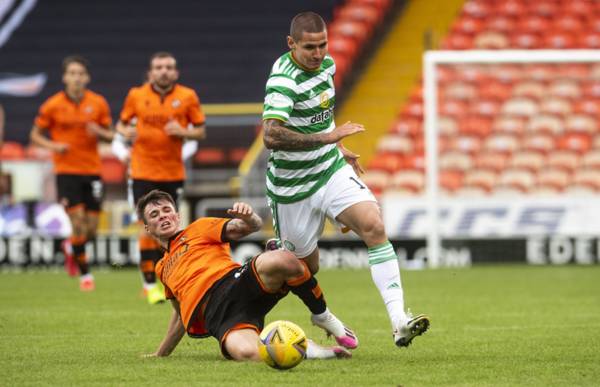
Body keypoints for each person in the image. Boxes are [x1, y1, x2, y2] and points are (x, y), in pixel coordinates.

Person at [262, 12, 430, 347]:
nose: (319, 53)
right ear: (291, 44)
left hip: (328, 168)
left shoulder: (327, 66)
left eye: (323, 44)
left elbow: (322, 116)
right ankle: (317, 312)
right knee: (305, 269)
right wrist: (327, 139)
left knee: (373, 225)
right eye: (310, 47)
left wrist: (338, 147)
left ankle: (399, 320)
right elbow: (271, 135)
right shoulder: (283, 80)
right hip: (292, 187)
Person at [137, 189, 351, 361]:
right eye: (154, 215)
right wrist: (161, 353)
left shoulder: (198, 228)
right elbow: (180, 315)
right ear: (148, 228)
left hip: (234, 283)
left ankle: (322, 315)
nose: (163, 216)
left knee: (284, 261)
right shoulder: (161, 268)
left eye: (166, 210)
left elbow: (248, 227)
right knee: (248, 353)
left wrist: (249, 218)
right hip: (219, 317)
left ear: (177, 215)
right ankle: (312, 350)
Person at [116, 52, 206, 304]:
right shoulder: (136, 95)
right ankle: (148, 284)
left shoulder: (187, 96)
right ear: (151, 72)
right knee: (147, 227)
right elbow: (121, 125)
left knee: (170, 227)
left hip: (172, 173)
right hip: (142, 171)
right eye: (159, 67)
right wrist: (127, 132)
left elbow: (200, 131)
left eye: (168, 67)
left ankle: (171, 277)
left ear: (175, 72)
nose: (164, 71)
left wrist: (184, 131)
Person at [30, 55, 114, 291]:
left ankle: (71, 247)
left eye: (80, 74)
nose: (76, 78)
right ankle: (86, 276)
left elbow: (111, 135)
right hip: (66, 172)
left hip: (92, 171)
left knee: (91, 229)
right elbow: (35, 136)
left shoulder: (98, 103)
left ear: (87, 78)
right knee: (77, 223)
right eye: (72, 73)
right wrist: (53, 146)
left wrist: (98, 130)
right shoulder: (52, 105)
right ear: (65, 77)